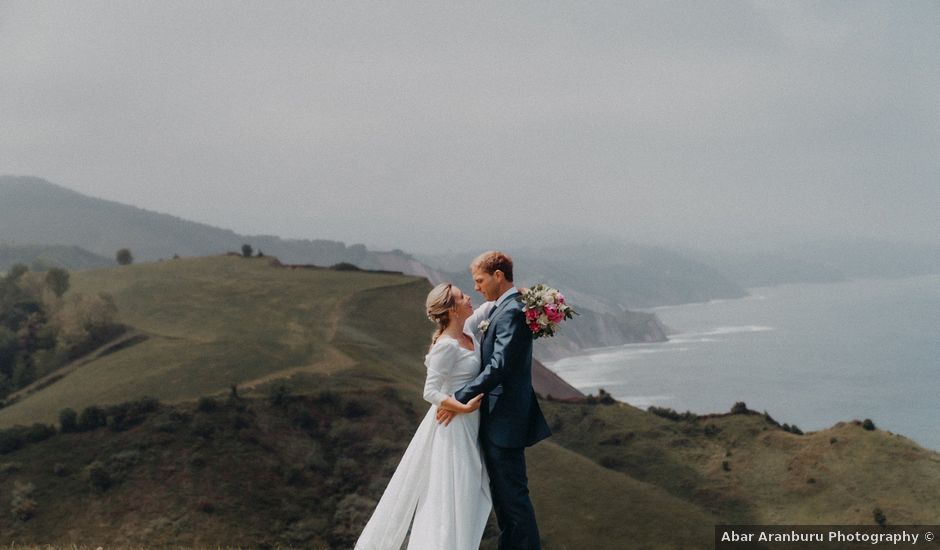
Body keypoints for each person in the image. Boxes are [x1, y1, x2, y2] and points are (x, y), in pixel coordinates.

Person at [355, 283, 493, 550]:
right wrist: (460, 407)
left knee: (469, 495)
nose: (469, 298)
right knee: (455, 496)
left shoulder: (466, 331)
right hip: (453, 427)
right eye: (462, 297)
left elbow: (489, 308)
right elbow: (429, 391)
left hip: (469, 424)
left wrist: (521, 294)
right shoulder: (447, 345)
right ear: (452, 310)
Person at [441, 250, 552, 550]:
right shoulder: (500, 308)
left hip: (505, 423)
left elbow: (499, 365)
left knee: (513, 500)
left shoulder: (511, 311)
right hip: (498, 421)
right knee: (504, 501)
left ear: (498, 276)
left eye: (479, 280)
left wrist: (457, 396)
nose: (476, 287)